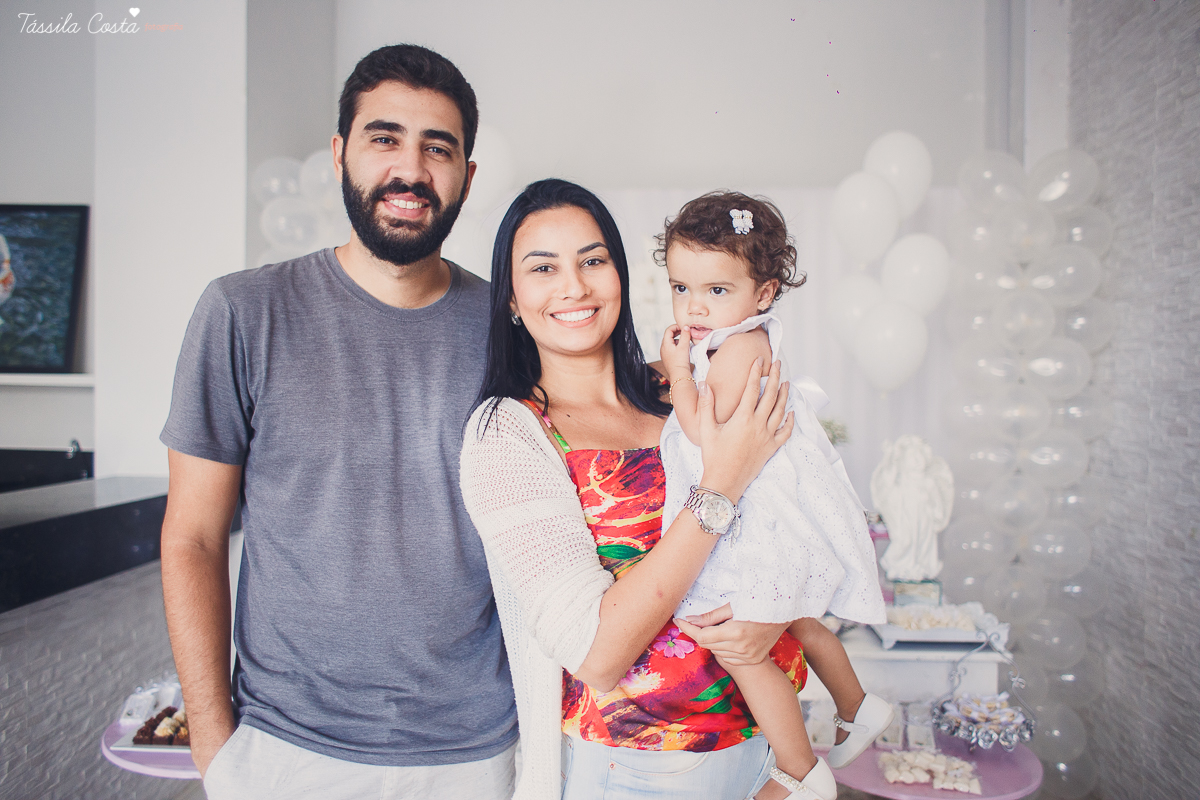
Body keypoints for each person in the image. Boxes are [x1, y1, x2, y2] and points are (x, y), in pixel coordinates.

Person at [160, 44, 517, 799]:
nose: (411, 171)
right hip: (285, 745)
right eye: (384, 139)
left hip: (475, 749)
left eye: (438, 148)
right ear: (340, 153)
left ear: (467, 176)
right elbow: (192, 536)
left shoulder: (511, 328)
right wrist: (213, 739)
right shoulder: (243, 312)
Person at [460, 178, 802, 800]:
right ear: (511, 298)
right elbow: (594, 653)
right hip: (632, 772)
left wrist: (774, 620)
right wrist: (722, 483)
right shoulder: (507, 436)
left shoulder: (683, 391)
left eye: (594, 261)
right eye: (544, 268)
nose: (575, 286)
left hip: (767, 753)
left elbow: (788, 523)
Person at [656, 191, 893, 798]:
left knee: (742, 647)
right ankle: (856, 704)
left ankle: (801, 770)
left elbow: (708, 441)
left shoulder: (738, 348)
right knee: (800, 619)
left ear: (762, 295)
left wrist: (679, 373)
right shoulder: (738, 340)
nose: (695, 306)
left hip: (755, 517)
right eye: (682, 288)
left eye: (716, 291)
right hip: (772, 510)